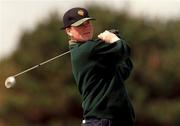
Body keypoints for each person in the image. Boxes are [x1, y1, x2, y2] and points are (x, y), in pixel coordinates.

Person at [61, 7, 135, 126]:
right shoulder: (88, 48)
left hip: (112, 120)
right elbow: (123, 50)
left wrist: (116, 41)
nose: (86, 27)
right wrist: (114, 39)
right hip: (101, 121)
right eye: (80, 25)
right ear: (69, 31)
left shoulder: (93, 49)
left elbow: (123, 71)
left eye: (88, 23)